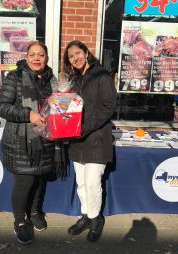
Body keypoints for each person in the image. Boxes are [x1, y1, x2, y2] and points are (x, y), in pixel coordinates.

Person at [0, 41, 61, 244]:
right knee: (25, 181)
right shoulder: (14, 77)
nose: (36, 58)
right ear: (26, 56)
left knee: (39, 178)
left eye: (41, 55)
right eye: (32, 54)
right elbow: (0, 106)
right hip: (21, 141)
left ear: (47, 57)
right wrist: (28, 114)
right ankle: (19, 221)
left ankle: (34, 213)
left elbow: (58, 107)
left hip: (46, 139)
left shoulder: (52, 80)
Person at [62, 40, 117, 242]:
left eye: (78, 53)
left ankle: (96, 220)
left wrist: (83, 129)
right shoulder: (74, 80)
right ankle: (86, 215)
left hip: (96, 139)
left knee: (93, 183)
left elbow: (109, 106)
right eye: (70, 56)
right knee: (81, 183)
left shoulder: (101, 74)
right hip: (77, 141)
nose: (75, 58)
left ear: (86, 52)